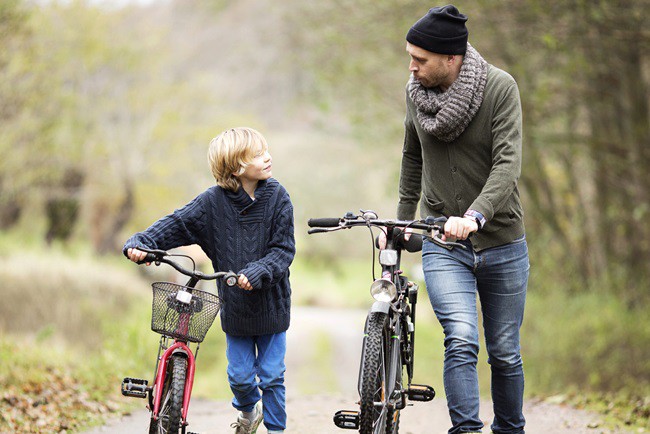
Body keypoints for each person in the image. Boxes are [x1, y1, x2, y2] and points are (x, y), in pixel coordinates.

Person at [395, 5, 529, 434]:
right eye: (410, 57)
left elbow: (508, 165)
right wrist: (401, 225)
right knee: (462, 338)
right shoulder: (415, 95)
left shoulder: (499, 89)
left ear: (451, 58)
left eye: (421, 59)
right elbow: (411, 160)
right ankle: (466, 430)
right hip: (441, 240)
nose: (412, 68)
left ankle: (510, 429)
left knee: (505, 351)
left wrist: (474, 215)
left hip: (502, 240)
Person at [123, 127, 294, 434]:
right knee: (240, 378)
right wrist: (142, 242)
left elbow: (283, 251)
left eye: (266, 150)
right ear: (235, 166)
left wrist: (256, 272)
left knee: (271, 376)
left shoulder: (279, 198)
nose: (268, 157)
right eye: (257, 154)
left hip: (272, 307)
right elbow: (176, 224)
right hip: (237, 309)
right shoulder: (212, 203)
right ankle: (247, 413)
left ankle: (276, 430)